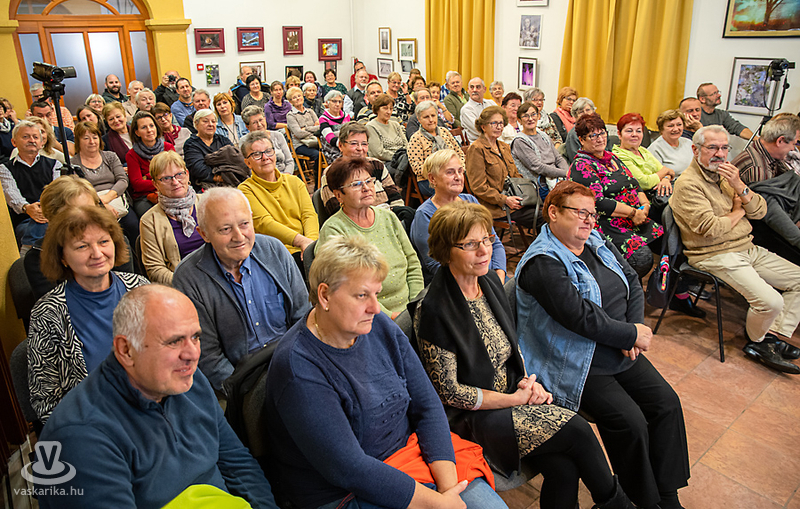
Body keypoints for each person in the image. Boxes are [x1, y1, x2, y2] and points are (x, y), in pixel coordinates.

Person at [415, 200, 635, 509]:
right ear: (445, 249)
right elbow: (450, 393)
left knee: (563, 467)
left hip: (509, 395)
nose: (484, 251)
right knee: (579, 431)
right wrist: (514, 399)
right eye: (470, 244)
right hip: (472, 418)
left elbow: (511, 344)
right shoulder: (434, 309)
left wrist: (528, 382)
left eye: (486, 240)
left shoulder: (488, 282)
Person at [265, 234, 505, 509]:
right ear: (325, 295)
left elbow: (427, 404)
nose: (375, 307)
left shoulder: (376, 323)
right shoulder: (298, 367)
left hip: (409, 455)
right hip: (346, 491)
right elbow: (349, 468)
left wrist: (449, 490)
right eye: (361, 295)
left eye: (376, 294)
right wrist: (439, 504)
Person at [515, 181, 690, 509]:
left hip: (617, 345)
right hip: (575, 361)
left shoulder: (594, 240)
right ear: (553, 213)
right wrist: (628, 335)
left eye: (592, 214)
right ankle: (641, 501)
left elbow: (632, 281)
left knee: (666, 404)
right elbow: (578, 317)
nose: (589, 220)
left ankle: (668, 495)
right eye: (580, 213)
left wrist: (633, 328)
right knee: (630, 422)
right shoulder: (543, 262)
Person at [36, 285, 278, 509]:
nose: (193, 354)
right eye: (174, 341)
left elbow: (237, 462)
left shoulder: (188, 380)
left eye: (195, 337)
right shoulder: (80, 437)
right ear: (126, 350)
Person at [671, 126, 800, 375]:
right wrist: (740, 211)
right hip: (713, 254)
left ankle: (770, 337)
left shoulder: (727, 176)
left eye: (724, 148)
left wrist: (739, 185)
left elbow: (760, 211)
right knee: (771, 301)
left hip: (745, 247)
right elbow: (711, 229)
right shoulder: (688, 184)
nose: (720, 154)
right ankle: (758, 342)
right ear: (695, 150)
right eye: (712, 148)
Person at [173, 187, 310, 391]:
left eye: (244, 224)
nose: (239, 237)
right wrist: (242, 393)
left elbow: (303, 317)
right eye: (225, 229)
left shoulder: (275, 250)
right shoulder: (188, 277)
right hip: (241, 382)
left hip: (294, 363)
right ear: (204, 234)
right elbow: (208, 356)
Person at [27, 205, 148, 423]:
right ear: (62, 257)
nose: (97, 254)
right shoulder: (48, 313)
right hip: (94, 425)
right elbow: (46, 401)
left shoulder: (141, 289)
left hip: (154, 411)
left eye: (103, 241)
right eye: (82, 246)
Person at [317, 157, 423, 318]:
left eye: (369, 181)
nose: (366, 188)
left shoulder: (388, 217)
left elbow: (412, 263)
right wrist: (392, 317)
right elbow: (349, 288)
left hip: (411, 309)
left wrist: (416, 304)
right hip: (370, 316)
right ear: (339, 195)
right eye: (356, 184)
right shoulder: (334, 231)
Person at [568, 113, 663, 278]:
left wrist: (645, 206)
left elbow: (634, 183)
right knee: (642, 259)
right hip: (606, 224)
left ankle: (665, 287)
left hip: (635, 217)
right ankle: (621, 286)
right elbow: (598, 202)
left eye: (602, 133)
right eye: (593, 136)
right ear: (582, 140)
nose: (600, 139)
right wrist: (633, 213)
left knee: (666, 241)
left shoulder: (612, 158)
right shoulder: (581, 165)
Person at [24, 176, 135, 300]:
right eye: (76, 213)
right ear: (53, 219)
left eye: (92, 210)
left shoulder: (114, 241)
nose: (86, 217)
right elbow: (53, 304)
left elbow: (129, 291)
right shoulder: (37, 257)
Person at [410, 150, 506, 284]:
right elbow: (435, 264)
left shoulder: (470, 201)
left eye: (460, 171)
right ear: (432, 179)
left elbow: (494, 243)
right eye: (450, 172)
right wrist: (482, 284)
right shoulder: (425, 215)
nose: (458, 177)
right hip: (456, 284)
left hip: (488, 276)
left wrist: (499, 278)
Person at [238, 131, 318, 270]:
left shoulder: (294, 181)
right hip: (277, 253)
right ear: (248, 163)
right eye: (257, 154)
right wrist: (301, 242)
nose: (265, 158)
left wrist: (311, 245)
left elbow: (309, 215)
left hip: (306, 245)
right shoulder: (245, 190)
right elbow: (264, 223)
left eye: (268, 151)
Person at [733, 114, 800, 267]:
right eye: (793, 144)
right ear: (780, 141)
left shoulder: (768, 156)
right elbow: (769, 214)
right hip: (758, 231)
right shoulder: (757, 168)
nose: (793, 149)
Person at [465, 106, 537, 228]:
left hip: (515, 199)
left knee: (549, 211)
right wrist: (504, 200)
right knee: (543, 218)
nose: (499, 127)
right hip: (496, 207)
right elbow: (478, 187)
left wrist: (523, 195)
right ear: (483, 127)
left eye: (501, 123)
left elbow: (515, 175)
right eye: (494, 123)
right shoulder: (476, 149)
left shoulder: (504, 146)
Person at [139, 151, 204, 285]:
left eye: (179, 174)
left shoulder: (208, 202)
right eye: (166, 178)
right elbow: (155, 270)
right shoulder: (149, 221)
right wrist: (188, 285)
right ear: (156, 184)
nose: (175, 182)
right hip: (182, 285)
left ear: (187, 174)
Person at [319, 122, 406, 218]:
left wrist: (395, 217)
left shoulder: (377, 165)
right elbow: (335, 211)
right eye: (354, 143)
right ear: (340, 145)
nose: (360, 148)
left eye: (364, 144)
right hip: (356, 221)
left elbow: (395, 198)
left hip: (389, 216)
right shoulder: (332, 173)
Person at [71, 121, 139, 241]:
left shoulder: (110, 156)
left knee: (133, 225)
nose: (92, 142)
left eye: (95, 137)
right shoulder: (73, 164)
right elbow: (78, 190)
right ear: (78, 141)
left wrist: (108, 197)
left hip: (116, 198)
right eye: (86, 138)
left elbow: (122, 179)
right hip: (91, 205)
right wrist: (101, 204)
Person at [0, 119, 61, 247]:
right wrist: (27, 208)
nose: (32, 140)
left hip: (52, 215)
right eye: (26, 137)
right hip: (25, 219)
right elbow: (12, 195)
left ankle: (30, 252)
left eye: (35, 137)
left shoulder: (55, 164)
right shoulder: (5, 168)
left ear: (41, 142)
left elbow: (56, 193)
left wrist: (44, 210)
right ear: (14, 142)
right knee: (39, 229)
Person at [612, 112, 676, 206]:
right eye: (629, 131)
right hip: (645, 202)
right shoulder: (618, 156)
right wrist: (665, 172)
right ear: (619, 134)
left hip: (661, 195)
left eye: (638, 131)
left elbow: (669, 172)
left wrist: (666, 179)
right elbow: (644, 183)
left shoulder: (643, 150)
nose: (634, 134)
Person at [408, 100, 465, 197]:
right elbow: (417, 168)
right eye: (426, 117)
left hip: (454, 174)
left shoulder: (444, 132)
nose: (431, 120)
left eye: (433, 116)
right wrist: (441, 173)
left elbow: (460, 154)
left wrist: (459, 170)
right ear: (419, 119)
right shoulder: (416, 139)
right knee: (449, 190)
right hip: (429, 180)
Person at [126, 111, 176, 217]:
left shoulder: (168, 147)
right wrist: (165, 179)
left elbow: (176, 173)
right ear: (137, 132)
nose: (149, 130)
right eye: (144, 127)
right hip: (144, 197)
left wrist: (148, 176)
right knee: (154, 217)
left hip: (171, 191)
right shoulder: (132, 154)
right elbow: (137, 185)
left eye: (151, 126)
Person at [510, 102, 569, 190]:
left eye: (533, 114)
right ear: (519, 120)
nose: (530, 119)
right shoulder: (520, 141)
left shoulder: (543, 135)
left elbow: (558, 158)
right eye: (526, 116)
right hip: (538, 185)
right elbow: (538, 167)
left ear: (538, 116)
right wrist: (564, 173)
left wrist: (567, 172)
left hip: (556, 178)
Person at [183, 109, 233, 189]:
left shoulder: (223, 140)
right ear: (196, 124)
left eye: (213, 121)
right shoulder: (191, 144)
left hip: (229, 183)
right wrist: (221, 177)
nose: (210, 124)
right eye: (205, 121)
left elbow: (235, 159)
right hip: (203, 187)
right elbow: (199, 170)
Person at [241, 104, 295, 175]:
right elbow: (246, 168)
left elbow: (289, 162)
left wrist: (285, 177)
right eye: (254, 123)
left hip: (283, 175)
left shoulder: (278, 136)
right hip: (260, 178)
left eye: (261, 120)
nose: (259, 124)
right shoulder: (244, 141)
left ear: (265, 119)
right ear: (247, 127)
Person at [648, 109, 694, 175]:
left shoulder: (688, 142)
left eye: (679, 125)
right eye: (670, 126)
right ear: (661, 129)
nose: (676, 129)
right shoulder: (655, 149)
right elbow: (656, 176)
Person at [286, 87, 320, 173]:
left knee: (327, 151)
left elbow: (320, 127)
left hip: (315, 141)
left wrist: (306, 128)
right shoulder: (291, 115)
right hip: (300, 144)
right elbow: (299, 134)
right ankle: (317, 178)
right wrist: (314, 130)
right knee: (318, 155)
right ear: (290, 102)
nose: (298, 98)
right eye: (294, 97)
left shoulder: (310, 111)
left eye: (299, 96)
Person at [366, 94, 407, 164]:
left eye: (391, 108)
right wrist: (398, 157)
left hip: (403, 160)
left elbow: (406, 145)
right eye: (385, 108)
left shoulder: (396, 125)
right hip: (385, 164)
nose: (389, 112)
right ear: (377, 109)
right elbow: (378, 153)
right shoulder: (371, 126)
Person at [319, 90, 352, 163]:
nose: (337, 104)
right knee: (345, 161)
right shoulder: (323, 118)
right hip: (332, 147)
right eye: (334, 101)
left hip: (347, 145)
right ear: (327, 103)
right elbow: (330, 138)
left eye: (340, 102)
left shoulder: (346, 116)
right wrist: (345, 146)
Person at [460, 78, 496, 143]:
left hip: (496, 140)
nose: (474, 90)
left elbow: (502, 121)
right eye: (472, 87)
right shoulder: (466, 109)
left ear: (484, 89)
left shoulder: (491, 103)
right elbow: (479, 130)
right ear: (468, 90)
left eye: (478, 87)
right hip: (479, 144)